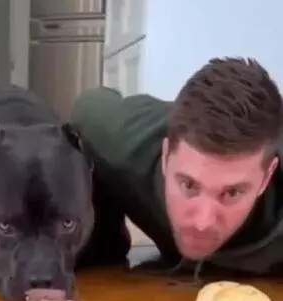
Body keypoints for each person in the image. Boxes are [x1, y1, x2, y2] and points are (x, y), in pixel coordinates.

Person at [71, 57, 283, 282]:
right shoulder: (121, 141)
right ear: (166, 157)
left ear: (266, 176)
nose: (202, 223)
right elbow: (88, 105)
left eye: (232, 193)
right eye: (188, 185)